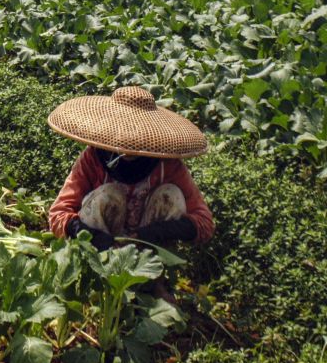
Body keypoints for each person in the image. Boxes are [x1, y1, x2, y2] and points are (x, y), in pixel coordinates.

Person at [47, 86, 214, 254]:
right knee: (107, 194)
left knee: (171, 194)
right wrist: (88, 234)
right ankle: (96, 267)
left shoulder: (167, 164)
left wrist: (159, 231)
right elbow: (58, 213)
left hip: (148, 252)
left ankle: (155, 272)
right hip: (101, 249)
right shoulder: (94, 158)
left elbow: (204, 222)